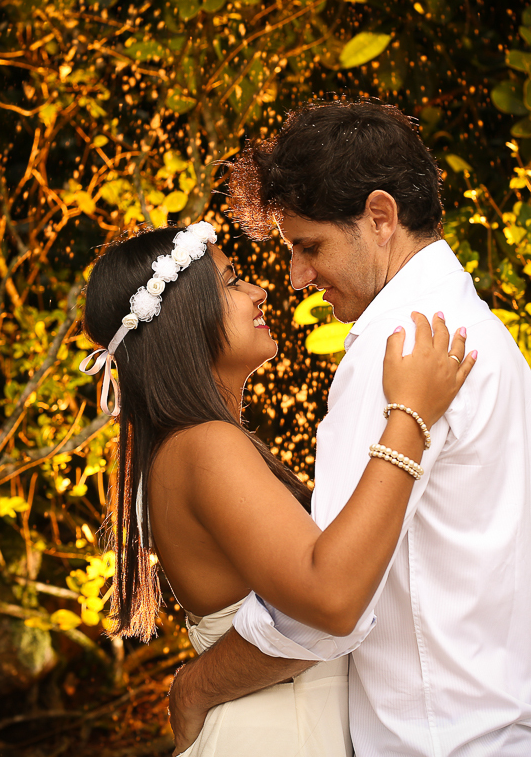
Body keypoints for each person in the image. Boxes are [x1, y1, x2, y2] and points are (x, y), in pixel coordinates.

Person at [167, 99, 531, 756]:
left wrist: (195, 686)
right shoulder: (483, 333)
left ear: (380, 217)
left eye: (309, 246)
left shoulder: (395, 346)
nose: (297, 278)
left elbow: (324, 605)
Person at [80, 220, 477, 756]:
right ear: (183, 319)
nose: (258, 289)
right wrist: (409, 417)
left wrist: (193, 688)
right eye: (231, 280)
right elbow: (331, 601)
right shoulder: (205, 446)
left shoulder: (182, 449)